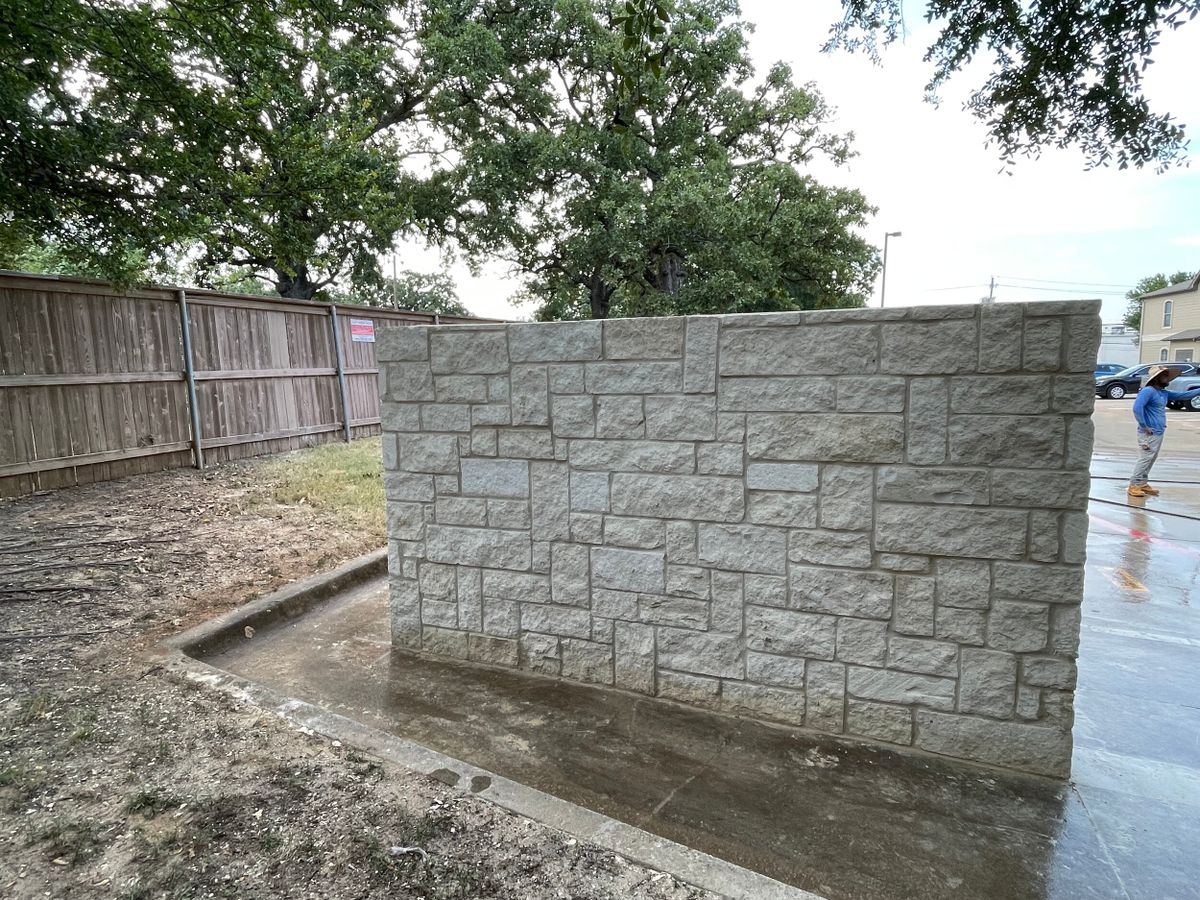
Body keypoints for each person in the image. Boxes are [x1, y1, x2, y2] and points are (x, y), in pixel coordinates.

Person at [1128, 365, 1200, 497]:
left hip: (1158, 431)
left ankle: (1142, 483)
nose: (1168, 379)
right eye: (1165, 376)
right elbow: (1137, 408)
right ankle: (1134, 485)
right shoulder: (1148, 391)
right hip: (1148, 432)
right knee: (1145, 458)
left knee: (1151, 458)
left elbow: (1184, 395)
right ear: (1156, 378)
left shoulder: (1162, 393)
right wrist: (1144, 425)